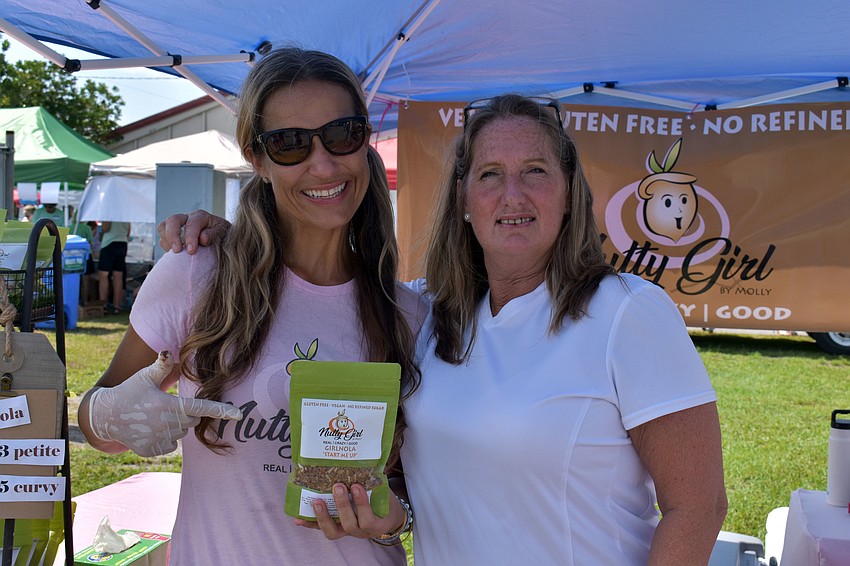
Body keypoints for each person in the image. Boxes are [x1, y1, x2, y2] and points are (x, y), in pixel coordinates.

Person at [161, 94, 728, 564]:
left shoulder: (627, 312)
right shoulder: (428, 317)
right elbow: (423, 479)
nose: (513, 194)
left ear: (568, 191)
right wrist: (227, 237)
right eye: (490, 174)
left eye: (535, 171)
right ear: (462, 199)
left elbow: (698, 506)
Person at [78, 47, 425, 566]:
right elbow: (97, 417)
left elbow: (416, 486)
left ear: (365, 141)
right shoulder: (197, 275)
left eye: (341, 134)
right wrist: (109, 417)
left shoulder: (409, 316)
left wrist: (394, 515)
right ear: (258, 158)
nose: (323, 163)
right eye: (290, 145)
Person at [97, 220, 130, 314]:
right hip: (122, 242)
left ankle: (103, 305)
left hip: (109, 243)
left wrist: (101, 232)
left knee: (103, 275)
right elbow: (128, 231)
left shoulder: (109, 211)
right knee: (118, 276)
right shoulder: (125, 212)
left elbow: (105, 228)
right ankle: (117, 306)